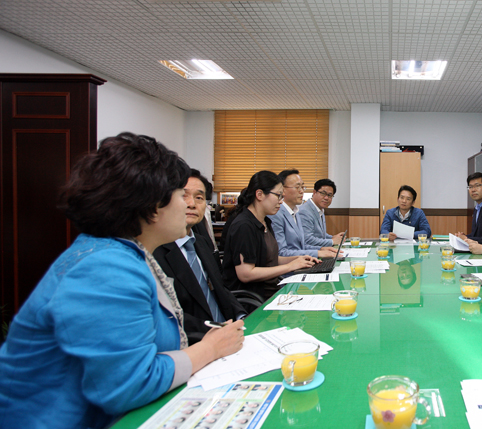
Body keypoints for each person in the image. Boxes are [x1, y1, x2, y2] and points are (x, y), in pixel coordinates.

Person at [0, 133, 243, 429]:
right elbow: (126, 386)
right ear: (152, 205)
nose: (189, 206)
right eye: (182, 195)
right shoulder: (105, 268)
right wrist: (210, 348)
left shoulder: (122, 253)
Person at [154, 169, 247, 344]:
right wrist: (218, 332)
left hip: (231, 332)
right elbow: (170, 317)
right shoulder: (154, 251)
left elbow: (221, 289)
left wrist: (241, 315)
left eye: (199, 198)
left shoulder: (202, 243)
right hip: (198, 342)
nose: (191, 204)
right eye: (184, 196)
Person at [222, 171, 318, 300]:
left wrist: (299, 259)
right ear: (260, 194)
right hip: (255, 297)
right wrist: (290, 266)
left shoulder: (265, 221)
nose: (281, 201)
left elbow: (269, 259)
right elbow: (246, 274)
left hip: (271, 290)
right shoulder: (244, 226)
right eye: (278, 196)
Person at [269, 169, 338, 258]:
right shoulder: (276, 214)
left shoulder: (295, 212)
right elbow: (281, 253)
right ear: (282, 190)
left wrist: (321, 249)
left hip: (301, 263)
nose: (302, 191)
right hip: (290, 268)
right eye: (297, 187)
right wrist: (318, 253)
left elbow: (301, 246)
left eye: (302, 187)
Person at [298, 178, 345, 247]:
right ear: (314, 193)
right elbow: (307, 239)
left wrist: (333, 237)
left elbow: (320, 235)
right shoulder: (304, 211)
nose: (326, 198)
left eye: (329, 195)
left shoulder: (320, 209)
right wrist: (332, 241)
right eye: (323, 193)